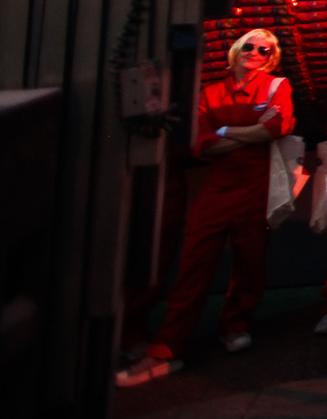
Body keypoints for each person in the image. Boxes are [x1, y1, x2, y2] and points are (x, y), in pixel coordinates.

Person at [115, 29, 295, 386]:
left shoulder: (277, 86)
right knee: (193, 264)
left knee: (251, 260)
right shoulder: (211, 92)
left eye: (264, 49)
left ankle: (235, 324)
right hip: (218, 187)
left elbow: (276, 127)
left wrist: (225, 131)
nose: (255, 52)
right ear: (235, 50)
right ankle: (169, 347)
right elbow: (201, 143)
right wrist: (251, 133)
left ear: (272, 58)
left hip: (257, 187)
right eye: (249, 46)